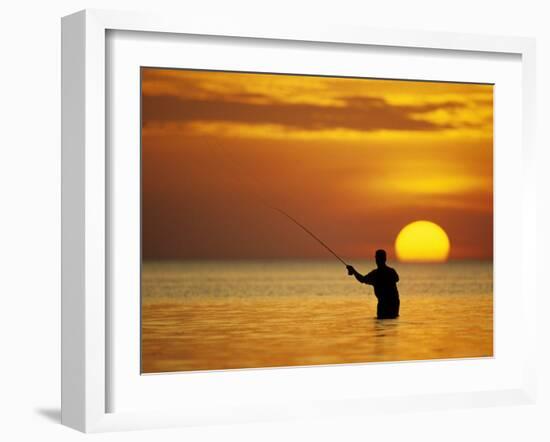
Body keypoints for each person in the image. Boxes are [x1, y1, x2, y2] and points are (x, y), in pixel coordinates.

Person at [346, 249, 400, 319]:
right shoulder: (391, 271)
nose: (377, 260)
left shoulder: (375, 274)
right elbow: (397, 279)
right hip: (394, 303)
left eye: (377, 258)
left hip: (385, 304)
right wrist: (353, 271)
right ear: (385, 259)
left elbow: (362, 280)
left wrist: (353, 271)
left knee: (382, 324)